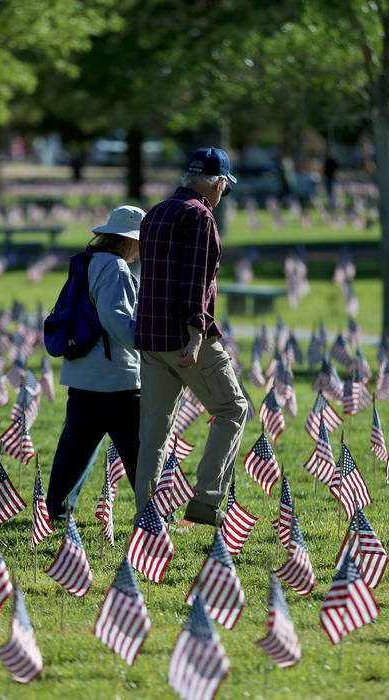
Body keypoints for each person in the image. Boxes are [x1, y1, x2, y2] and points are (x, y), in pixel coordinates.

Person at [133, 147, 249, 527]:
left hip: (149, 337)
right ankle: (207, 502)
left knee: (154, 431)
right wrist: (196, 337)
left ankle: (148, 517)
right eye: (225, 188)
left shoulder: (155, 213)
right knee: (232, 409)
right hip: (185, 338)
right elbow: (195, 282)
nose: (222, 195)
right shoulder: (201, 217)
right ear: (217, 182)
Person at [44, 205, 144, 520]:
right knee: (140, 450)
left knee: (74, 449)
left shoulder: (87, 262)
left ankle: (57, 510)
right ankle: (155, 514)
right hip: (115, 377)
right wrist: (146, 344)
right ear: (128, 241)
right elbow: (115, 319)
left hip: (81, 373)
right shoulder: (116, 268)